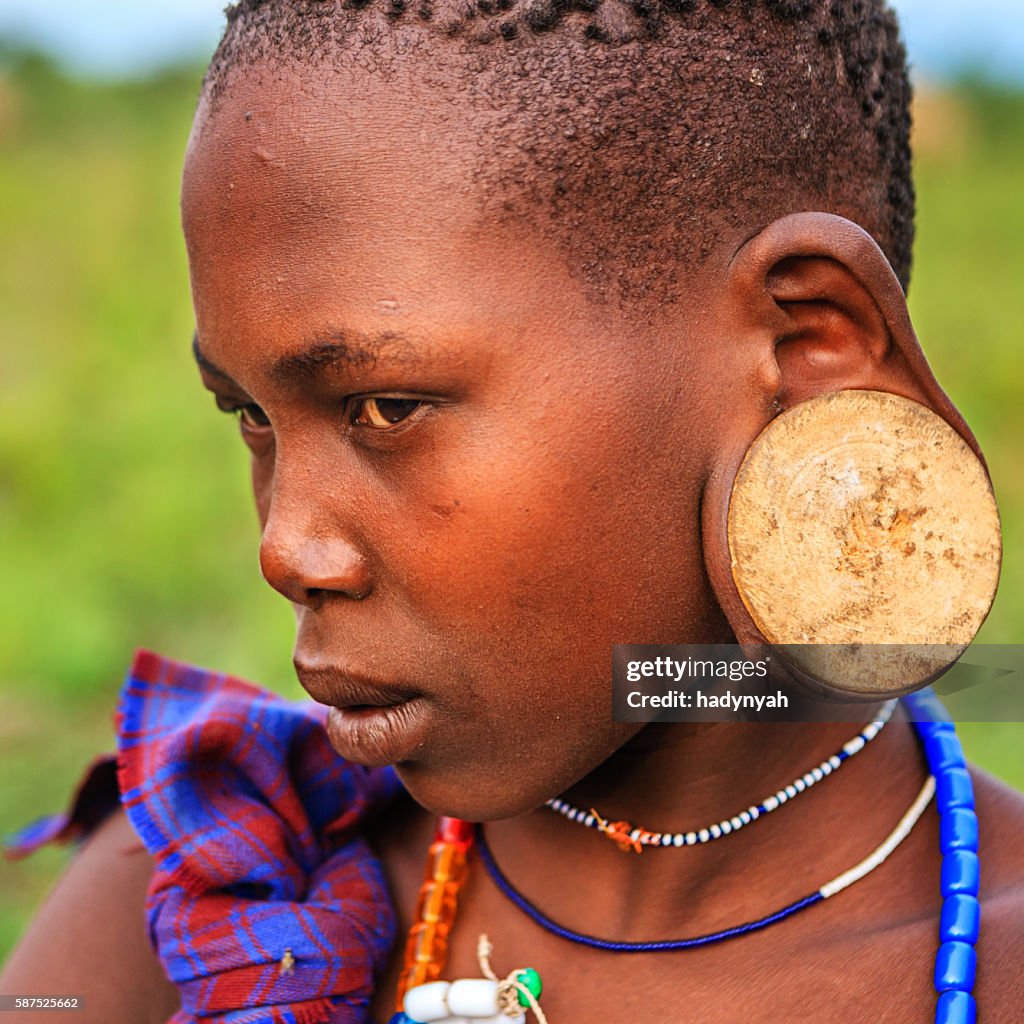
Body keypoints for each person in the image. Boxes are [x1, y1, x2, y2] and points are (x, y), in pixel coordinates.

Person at [2, 1, 1022, 1021]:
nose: (286, 546)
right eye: (250, 416)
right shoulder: (212, 883)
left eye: (386, 407)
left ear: (803, 355)